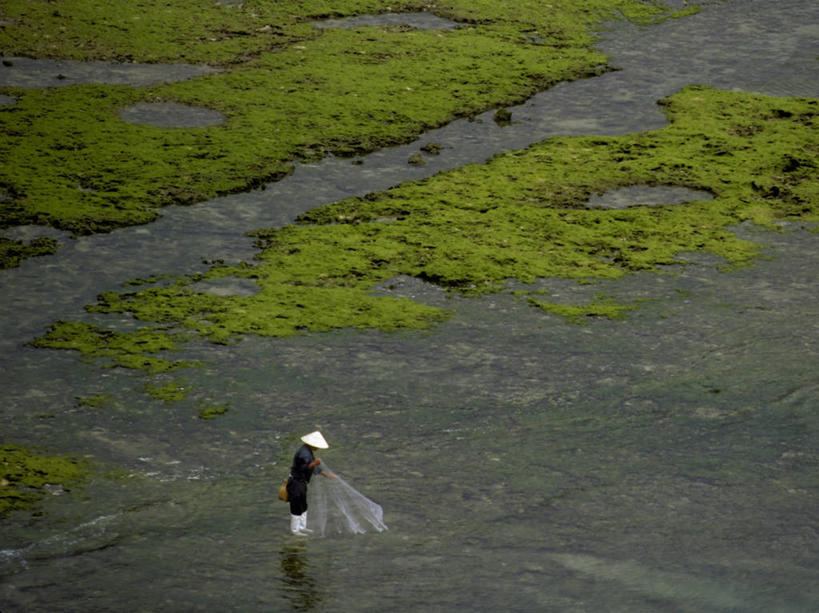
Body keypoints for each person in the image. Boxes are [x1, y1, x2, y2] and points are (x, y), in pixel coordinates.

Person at [286, 430, 335, 535]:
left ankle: (302, 527)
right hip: (296, 482)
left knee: (303, 504)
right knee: (296, 504)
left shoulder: (308, 452)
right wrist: (314, 463)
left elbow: (313, 468)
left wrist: (327, 475)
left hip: (302, 483)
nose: (317, 448)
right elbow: (304, 468)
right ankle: (295, 530)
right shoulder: (303, 453)